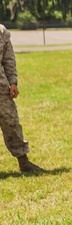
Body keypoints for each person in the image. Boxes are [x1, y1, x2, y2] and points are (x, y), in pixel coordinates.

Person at [0, 24, 44, 174]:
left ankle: (24, 162)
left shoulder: (2, 31)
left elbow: (8, 59)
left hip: (1, 89)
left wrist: (13, 82)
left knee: (11, 123)